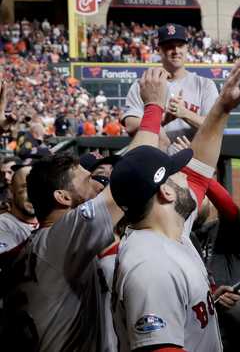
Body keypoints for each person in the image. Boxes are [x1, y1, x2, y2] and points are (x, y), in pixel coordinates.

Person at [0, 68, 170, 351]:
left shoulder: (39, 244)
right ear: (63, 197)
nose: (99, 185)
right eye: (88, 179)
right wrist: (153, 107)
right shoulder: (62, 238)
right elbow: (133, 175)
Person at [110, 54, 240, 352]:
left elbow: (200, 172)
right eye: (178, 174)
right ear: (167, 193)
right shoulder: (151, 268)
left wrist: (222, 108)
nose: (188, 177)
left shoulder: (168, 229)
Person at [122, 24, 219, 152]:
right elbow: (130, 126)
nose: (176, 51)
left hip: (193, 161)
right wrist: (164, 118)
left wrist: (184, 113)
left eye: (180, 45)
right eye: (169, 46)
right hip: (153, 162)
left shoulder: (205, 85)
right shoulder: (144, 84)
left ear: (187, 48)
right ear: (159, 50)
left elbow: (215, 127)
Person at [0, 165, 38, 253]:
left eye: (38, 187)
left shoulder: (51, 221)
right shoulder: (3, 224)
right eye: (26, 187)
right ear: (11, 191)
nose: (34, 194)